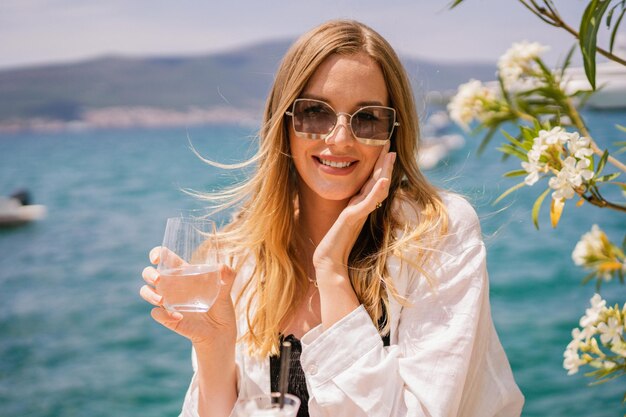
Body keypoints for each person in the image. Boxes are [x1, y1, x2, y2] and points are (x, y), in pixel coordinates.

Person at [140, 19, 524, 417]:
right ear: (284, 123)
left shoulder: (438, 233)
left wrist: (332, 270)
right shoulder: (240, 255)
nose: (340, 138)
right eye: (315, 113)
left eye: (367, 118)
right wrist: (213, 346)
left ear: (392, 132)